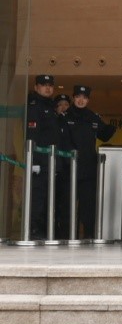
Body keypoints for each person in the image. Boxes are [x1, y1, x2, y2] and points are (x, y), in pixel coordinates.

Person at [62, 84, 117, 240]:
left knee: (88, 207)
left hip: (88, 170)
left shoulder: (92, 117)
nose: (81, 100)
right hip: (69, 169)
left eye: (84, 98)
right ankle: (67, 237)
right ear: (73, 98)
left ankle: (88, 236)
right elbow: (61, 142)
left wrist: (112, 126)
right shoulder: (65, 117)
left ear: (88, 100)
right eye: (78, 97)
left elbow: (104, 135)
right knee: (67, 207)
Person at [25, 74, 60, 239]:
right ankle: (34, 231)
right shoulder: (34, 106)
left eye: (50, 85)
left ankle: (44, 231)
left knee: (47, 198)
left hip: (50, 161)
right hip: (39, 162)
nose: (47, 88)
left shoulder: (50, 107)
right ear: (36, 87)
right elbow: (32, 135)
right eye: (44, 85)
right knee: (37, 198)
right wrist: (34, 160)